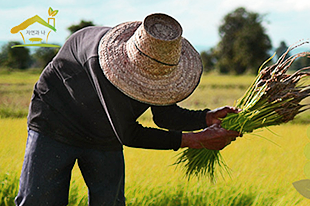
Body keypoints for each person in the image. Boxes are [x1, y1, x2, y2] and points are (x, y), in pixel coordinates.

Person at [15, 13, 241, 206]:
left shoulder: (160, 63)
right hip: (55, 124)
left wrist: (207, 118)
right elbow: (127, 133)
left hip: (105, 132)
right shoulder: (100, 61)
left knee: (110, 202)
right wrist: (195, 140)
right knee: (38, 200)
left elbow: (166, 116)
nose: (150, 83)